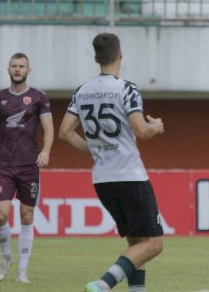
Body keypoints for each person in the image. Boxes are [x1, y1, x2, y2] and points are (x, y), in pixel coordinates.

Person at [58, 33, 164, 292]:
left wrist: (96, 150)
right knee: (153, 244)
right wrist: (157, 127)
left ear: (96, 58)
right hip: (129, 175)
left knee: (136, 242)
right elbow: (141, 130)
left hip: (103, 180)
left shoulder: (82, 91)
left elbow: (64, 133)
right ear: (121, 55)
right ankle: (104, 284)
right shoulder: (126, 88)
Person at [0, 53, 54, 283]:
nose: (18, 69)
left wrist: (45, 151)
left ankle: (22, 272)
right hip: (5, 164)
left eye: (22, 66)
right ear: (8, 70)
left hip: (30, 165)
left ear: (29, 70)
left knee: (27, 217)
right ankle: (7, 257)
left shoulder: (39, 97)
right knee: (1, 215)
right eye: (14, 66)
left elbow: (49, 129)